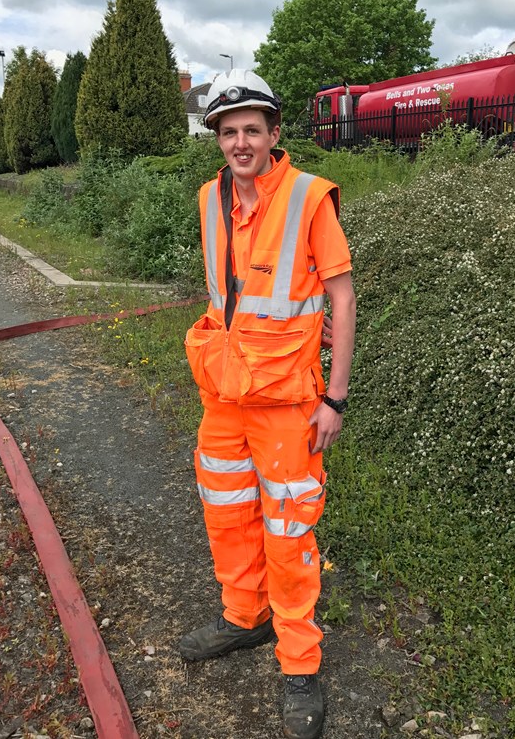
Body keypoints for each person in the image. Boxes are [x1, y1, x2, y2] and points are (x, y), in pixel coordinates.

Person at [180, 69, 356, 739]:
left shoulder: (310, 197)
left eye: (253, 128)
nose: (241, 141)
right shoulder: (208, 199)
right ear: (218, 139)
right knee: (226, 509)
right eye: (229, 131)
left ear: (274, 134)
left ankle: (299, 663)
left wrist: (334, 396)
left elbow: (341, 297)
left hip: (286, 400)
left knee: (288, 531)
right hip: (224, 393)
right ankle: (243, 615)